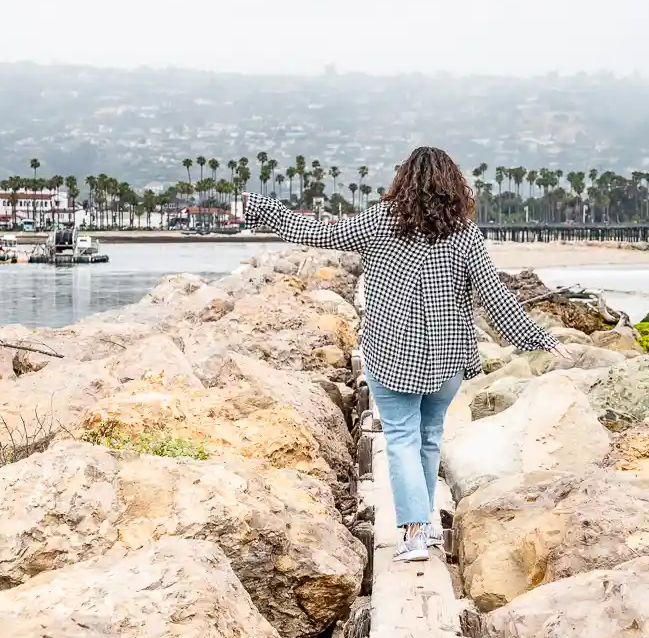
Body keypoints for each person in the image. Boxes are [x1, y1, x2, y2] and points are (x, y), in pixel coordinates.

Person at [242, 146, 570, 562]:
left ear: (404, 182)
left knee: (401, 438)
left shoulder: (379, 223)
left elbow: (318, 234)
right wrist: (539, 336)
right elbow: (494, 296)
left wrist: (261, 208)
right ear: (452, 186)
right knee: (429, 438)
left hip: (391, 351)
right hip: (448, 355)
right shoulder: (465, 234)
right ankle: (424, 526)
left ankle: (415, 532)